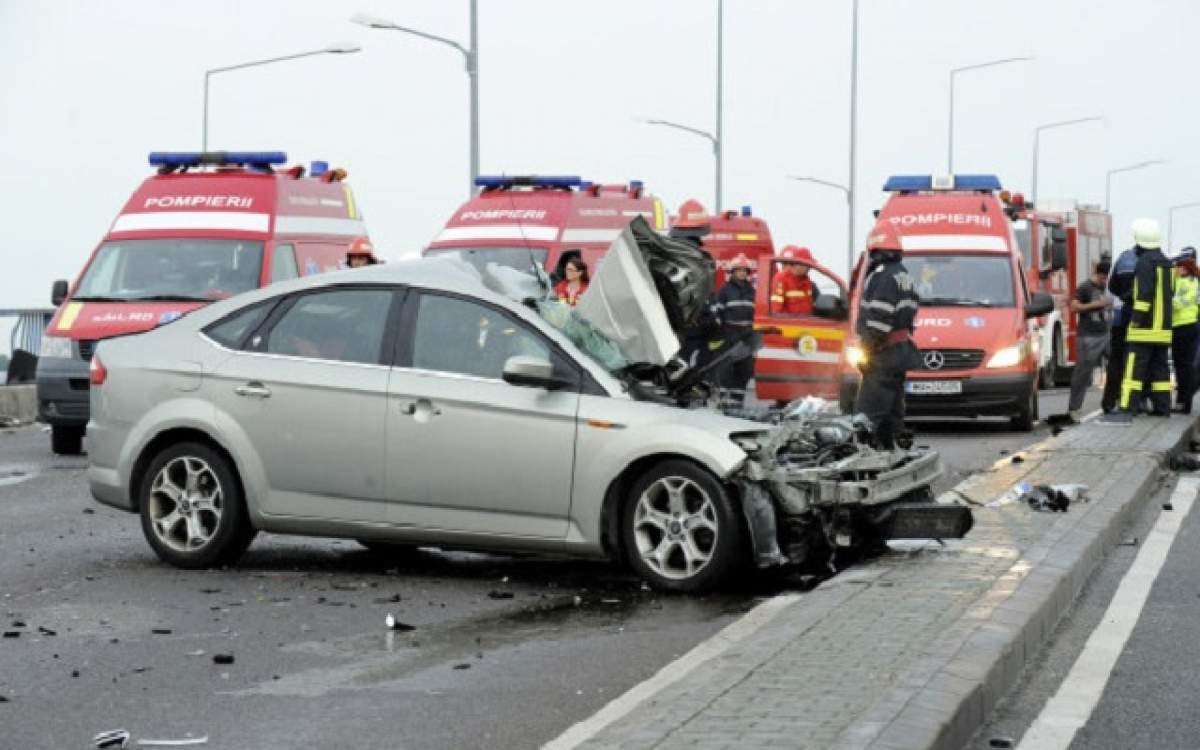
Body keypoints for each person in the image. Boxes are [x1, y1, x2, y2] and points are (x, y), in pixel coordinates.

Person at [854, 222, 920, 450]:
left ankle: (865, 454)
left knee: (868, 411)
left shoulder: (882, 277)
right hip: (901, 350)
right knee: (893, 406)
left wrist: (868, 347)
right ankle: (892, 447)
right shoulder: (905, 276)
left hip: (883, 351)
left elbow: (879, 319)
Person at [1106, 218, 1174, 423]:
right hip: (1163, 328)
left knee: (1134, 369)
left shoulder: (1144, 263)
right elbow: (1171, 291)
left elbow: (1144, 295)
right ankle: (1163, 407)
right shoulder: (1167, 263)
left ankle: (1127, 407)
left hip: (1144, 328)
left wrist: (1135, 319)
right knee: (1160, 370)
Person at [1066, 260, 1113, 422]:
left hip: (1106, 334)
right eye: (1102, 278)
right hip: (1088, 337)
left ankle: (1112, 402)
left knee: (1118, 367)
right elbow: (1073, 307)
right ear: (1097, 274)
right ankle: (1074, 409)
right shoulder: (1085, 287)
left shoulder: (1106, 288)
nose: (1104, 282)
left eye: (1106, 278)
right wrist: (1096, 304)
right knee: (1083, 374)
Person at [710, 253, 757, 409]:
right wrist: (720, 332)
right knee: (725, 368)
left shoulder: (753, 291)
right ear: (732, 272)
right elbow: (717, 312)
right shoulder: (725, 290)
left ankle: (737, 401)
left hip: (747, 335)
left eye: (745, 270)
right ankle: (723, 399)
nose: (742, 273)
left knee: (745, 368)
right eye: (739, 270)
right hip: (729, 333)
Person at [1102, 242, 1140, 413]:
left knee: (1116, 361)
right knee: (1137, 360)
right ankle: (1132, 401)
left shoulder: (1123, 258)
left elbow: (1110, 288)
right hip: (1140, 319)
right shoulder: (1146, 261)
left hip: (1119, 319)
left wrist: (1123, 297)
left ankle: (1110, 402)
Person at [1172, 247, 1199, 413]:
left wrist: (1167, 301)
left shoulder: (1187, 283)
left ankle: (1184, 403)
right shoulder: (1192, 280)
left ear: (1186, 268)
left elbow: (1179, 303)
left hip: (1184, 326)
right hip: (1188, 326)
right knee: (1184, 366)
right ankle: (1183, 401)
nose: (1176, 269)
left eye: (1179, 267)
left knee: (1182, 366)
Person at [770, 245, 820, 315]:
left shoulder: (808, 282)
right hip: (789, 324)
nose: (809, 268)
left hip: (806, 323)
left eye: (789, 263)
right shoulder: (780, 279)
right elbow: (776, 311)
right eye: (784, 264)